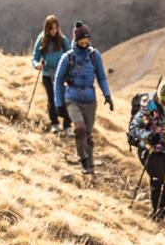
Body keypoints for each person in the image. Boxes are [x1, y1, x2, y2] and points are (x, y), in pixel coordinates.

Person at [52, 22, 112, 175]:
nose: (85, 44)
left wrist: (107, 95)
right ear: (76, 40)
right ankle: (82, 158)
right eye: (82, 41)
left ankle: (90, 164)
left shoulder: (94, 56)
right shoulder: (68, 58)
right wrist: (59, 104)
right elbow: (58, 81)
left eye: (87, 41)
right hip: (72, 97)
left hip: (90, 99)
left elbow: (102, 77)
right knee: (80, 129)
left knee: (89, 134)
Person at [129, 78, 165, 220]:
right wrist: (149, 136)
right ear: (163, 97)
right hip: (151, 150)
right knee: (157, 181)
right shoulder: (149, 108)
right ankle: (157, 214)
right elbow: (134, 128)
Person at [31, 15, 71, 135]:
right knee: (52, 100)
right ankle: (55, 124)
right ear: (47, 28)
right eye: (51, 28)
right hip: (47, 74)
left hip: (62, 74)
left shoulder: (62, 39)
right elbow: (35, 57)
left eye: (56, 28)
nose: (54, 31)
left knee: (66, 99)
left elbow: (70, 54)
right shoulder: (42, 39)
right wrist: (37, 65)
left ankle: (67, 126)